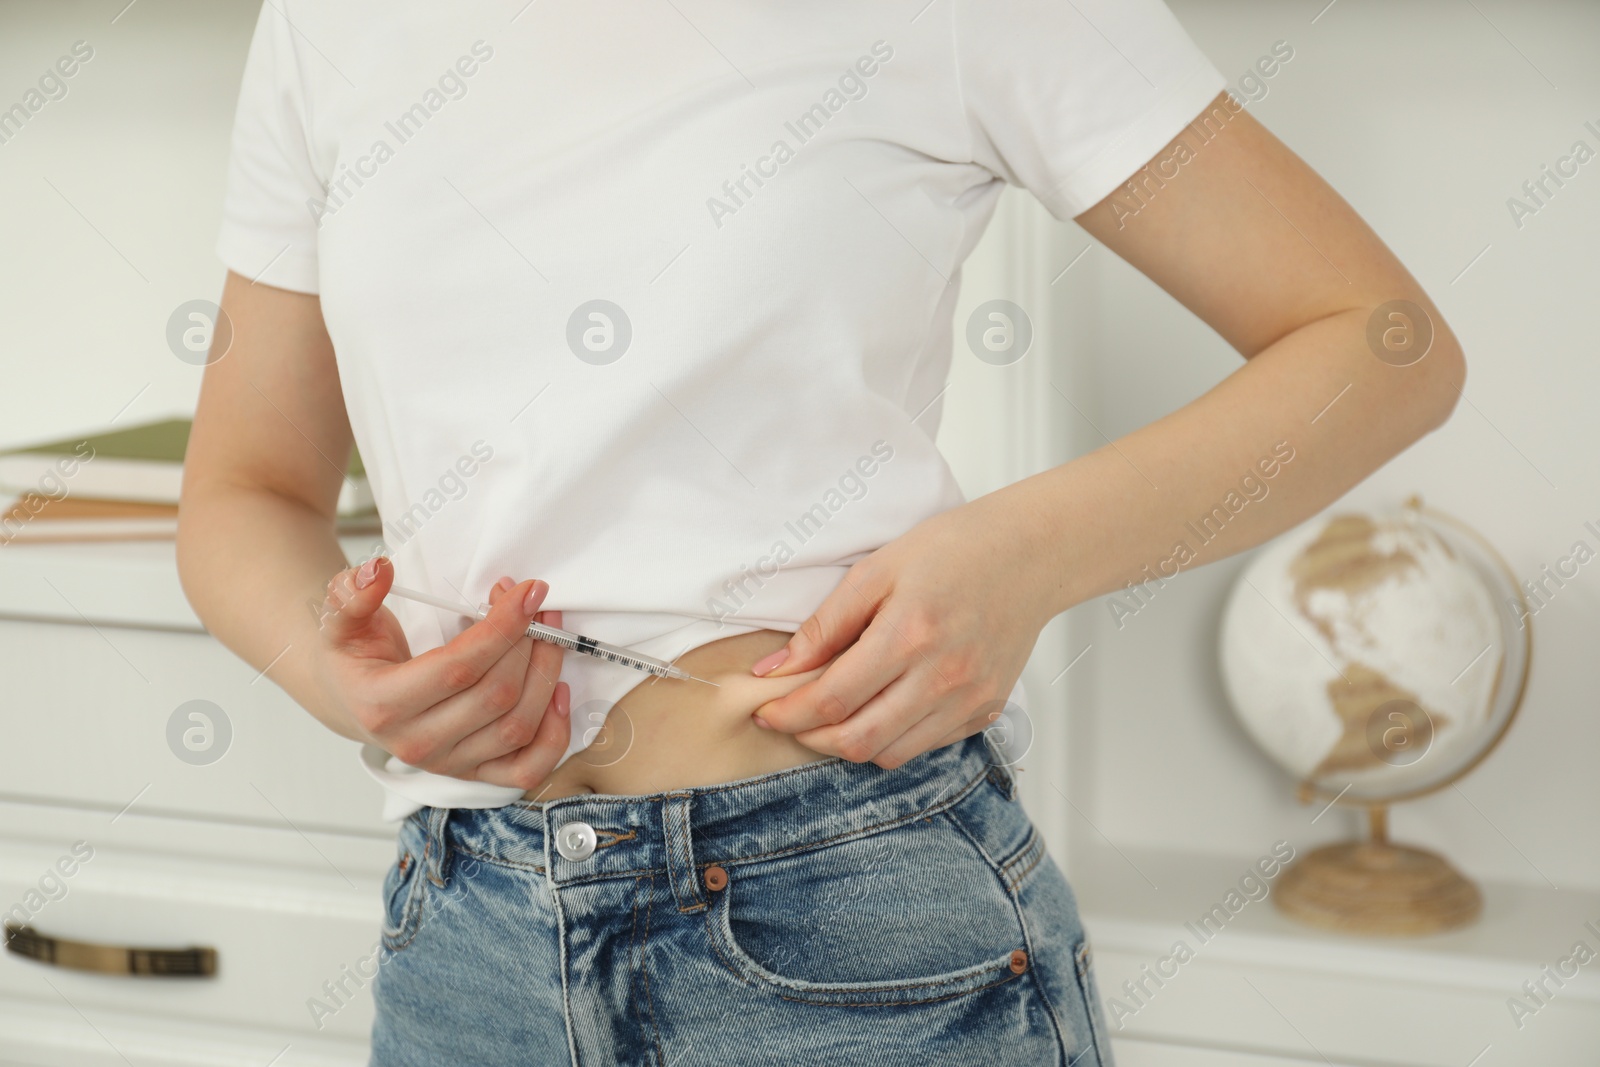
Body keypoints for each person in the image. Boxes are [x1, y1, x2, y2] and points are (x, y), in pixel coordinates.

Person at [176, 2, 1463, 1064]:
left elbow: (1384, 343)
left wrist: (1021, 558)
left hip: (851, 915)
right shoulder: (327, 25)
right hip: (469, 938)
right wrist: (344, 676)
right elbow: (245, 490)